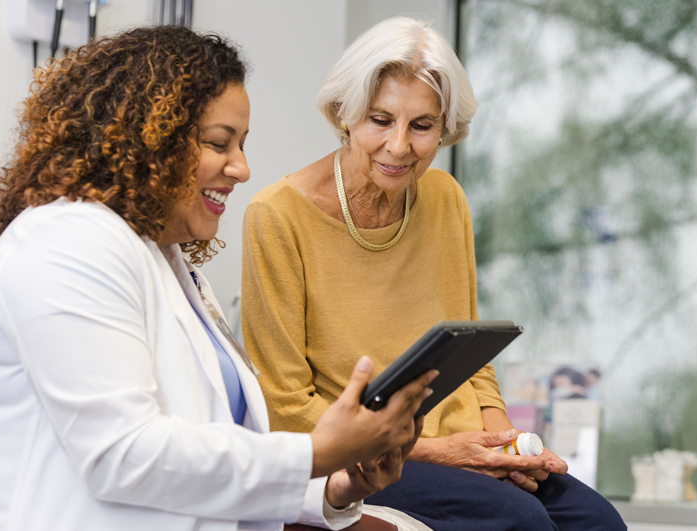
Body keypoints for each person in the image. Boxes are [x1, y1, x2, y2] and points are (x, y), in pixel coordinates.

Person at [0, 25, 435, 531]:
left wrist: (334, 483)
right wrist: (317, 451)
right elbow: (124, 455)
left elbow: (209, 448)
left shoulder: (169, 265)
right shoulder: (65, 243)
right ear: (147, 139)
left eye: (241, 144)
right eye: (219, 143)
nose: (241, 168)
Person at [241, 17, 626, 531]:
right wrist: (443, 452)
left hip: (462, 441)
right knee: (520, 522)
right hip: (365, 453)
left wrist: (507, 445)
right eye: (380, 120)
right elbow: (284, 407)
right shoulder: (276, 215)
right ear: (344, 115)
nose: (399, 147)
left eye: (421, 126)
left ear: (444, 130)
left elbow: (472, 355)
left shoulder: (445, 198)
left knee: (599, 522)